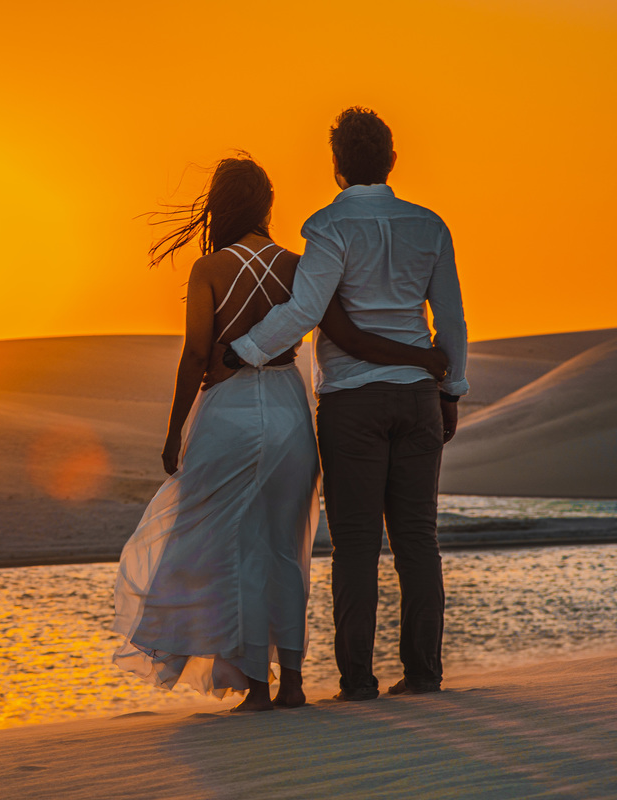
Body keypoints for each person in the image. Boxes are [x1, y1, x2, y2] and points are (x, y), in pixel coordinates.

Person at [112, 153, 448, 712]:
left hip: (228, 411)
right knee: (287, 548)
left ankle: (258, 687)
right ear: (267, 205)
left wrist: (173, 433)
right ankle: (292, 681)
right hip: (291, 410)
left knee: (240, 549)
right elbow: (349, 335)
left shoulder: (210, 269)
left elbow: (198, 353)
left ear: (219, 208)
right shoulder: (299, 265)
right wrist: (426, 358)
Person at [225, 108, 469, 701]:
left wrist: (242, 350)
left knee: (357, 544)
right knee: (418, 538)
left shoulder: (327, 227)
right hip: (417, 396)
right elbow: (453, 321)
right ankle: (424, 674)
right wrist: (452, 390)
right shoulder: (430, 226)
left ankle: (358, 680)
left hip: (353, 402)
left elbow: (306, 312)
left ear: (336, 165)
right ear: (391, 160)